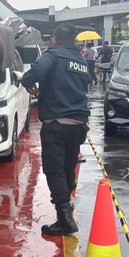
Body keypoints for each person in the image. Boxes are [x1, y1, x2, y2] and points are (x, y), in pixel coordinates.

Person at [21, 23, 90, 236]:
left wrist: (26, 82)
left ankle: (65, 219)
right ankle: (67, 209)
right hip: (78, 124)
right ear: (75, 41)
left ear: (55, 40)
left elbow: (37, 72)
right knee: (68, 168)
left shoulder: (54, 55)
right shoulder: (81, 60)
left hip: (56, 124)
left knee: (54, 170)